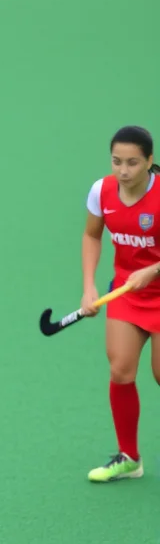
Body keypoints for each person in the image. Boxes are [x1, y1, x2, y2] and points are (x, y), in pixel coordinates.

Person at [80, 125, 160, 483]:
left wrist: (154, 269)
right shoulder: (103, 191)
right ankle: (130, 458)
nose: (123, 171)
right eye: (117, 162)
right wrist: (88, 287)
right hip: (127, 295)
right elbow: (91, 235)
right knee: (121, 370)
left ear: (149, 161)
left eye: (132, 163)